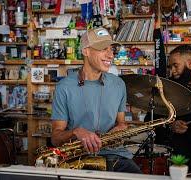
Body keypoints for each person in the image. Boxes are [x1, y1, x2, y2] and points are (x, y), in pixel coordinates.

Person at [51, 27, 141, 173]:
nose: (110, 55)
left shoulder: (118, 84)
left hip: (114, 155)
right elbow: (55, 138)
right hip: (77, 158)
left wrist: (121, 128)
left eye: (111, 49)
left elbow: (122, 123)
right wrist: (76, 132)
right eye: (103, 49)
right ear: (86, 51)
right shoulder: (64, 87)